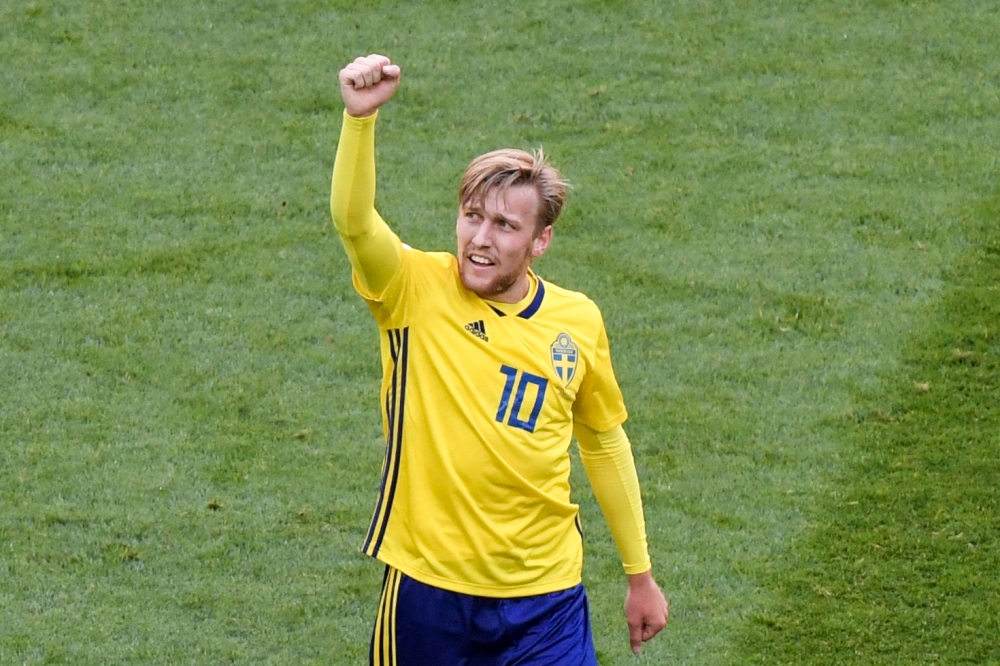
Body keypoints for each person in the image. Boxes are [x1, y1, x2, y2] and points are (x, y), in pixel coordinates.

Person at [330, 53, 668, 665]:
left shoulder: (577, 320)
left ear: (541, 240)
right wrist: (360, 123)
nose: (481, 240)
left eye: (505, 226)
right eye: (472, 217)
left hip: (547, 599)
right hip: (429, 593)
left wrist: (638, 573)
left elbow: (603, 441)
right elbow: (354, 223)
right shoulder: (413, 289)